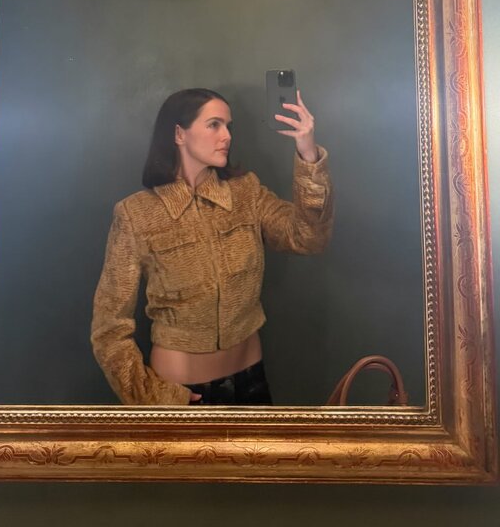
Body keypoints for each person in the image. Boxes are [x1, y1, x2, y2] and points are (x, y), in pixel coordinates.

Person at [91, 87, 333, 406]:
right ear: (179, 133)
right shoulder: (136, 214)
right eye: (214, 125)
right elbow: (109, 327)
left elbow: (307, 238)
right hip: (181, 393)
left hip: (252, 383)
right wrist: (155, 397)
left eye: (228, 126)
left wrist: (308, 154)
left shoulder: (245, 192)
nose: (226, 136)